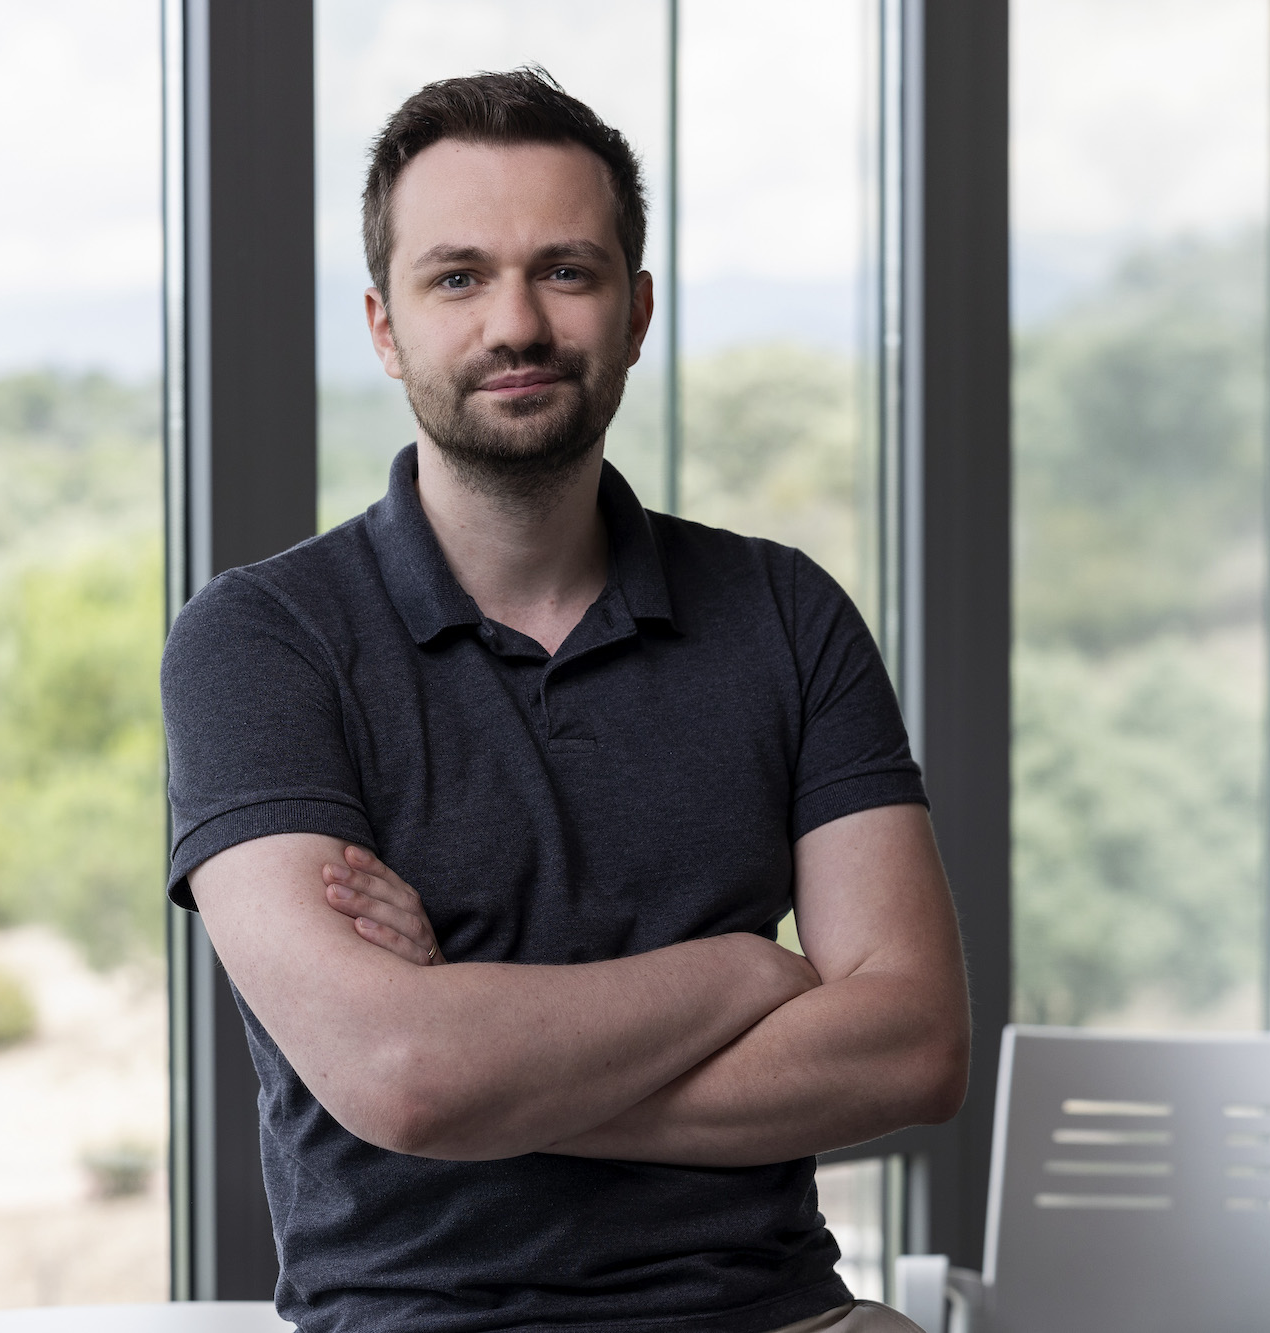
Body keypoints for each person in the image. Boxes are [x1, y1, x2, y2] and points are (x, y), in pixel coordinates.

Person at [161, 67, 970, 1333]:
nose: (517, 323)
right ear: (384, 328)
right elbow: (401, 1074)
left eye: (565, 270)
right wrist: (741, 974)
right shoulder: (260, 642)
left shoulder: (783, 612)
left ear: (635, 312)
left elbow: (914, 1048)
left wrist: (486, 1065)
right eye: (456, 277)